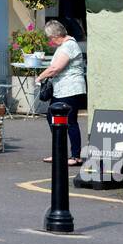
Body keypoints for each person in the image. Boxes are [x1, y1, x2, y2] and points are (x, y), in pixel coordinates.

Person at [36, 19, 86, 166]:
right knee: (52, 117)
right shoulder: (63, 46)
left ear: (56, 35)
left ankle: (75, 156)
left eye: (50, 38)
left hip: (70, 89)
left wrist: (40, 77)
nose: (50, 41)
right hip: (61, 90)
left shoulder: (69, 45)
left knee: (70, 121)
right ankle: (59, 153)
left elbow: (55, 68)